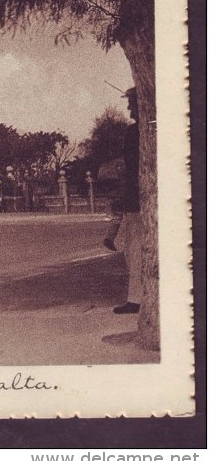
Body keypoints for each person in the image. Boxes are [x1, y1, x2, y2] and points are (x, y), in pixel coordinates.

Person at [104, 87, 143, 314]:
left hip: (136, 199)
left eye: (131, 103)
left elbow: (132, 167)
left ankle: (136, 299)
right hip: (137, 198)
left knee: (134, 250)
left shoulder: (134, 132)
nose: (129, 108)